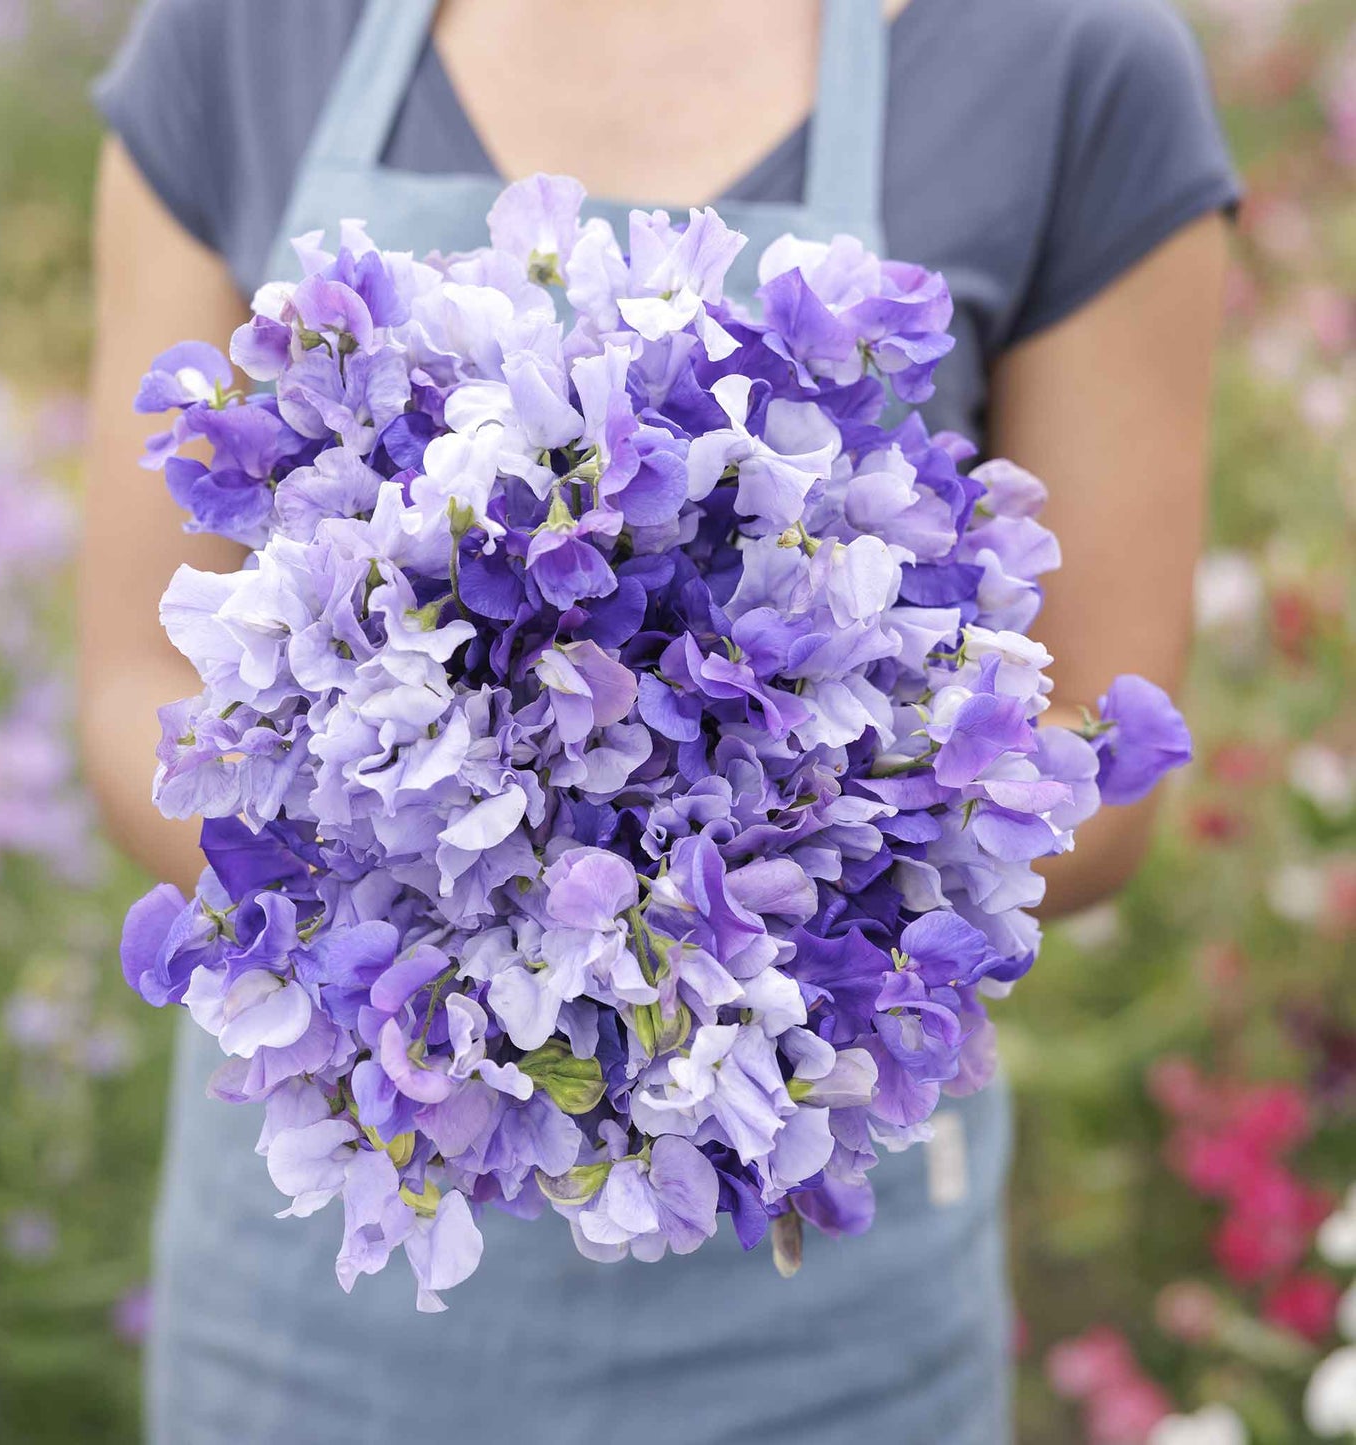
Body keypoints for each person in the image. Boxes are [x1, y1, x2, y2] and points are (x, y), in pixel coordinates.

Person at [80, 1, 1239, 1440]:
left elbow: (1091, 771)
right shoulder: (242, 32)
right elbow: (137, 684)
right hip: (323, 1300)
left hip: (816, 1337)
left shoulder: (1068, 58)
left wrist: (689, 938)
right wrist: (428, 920)